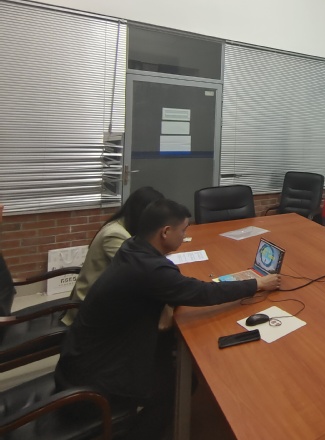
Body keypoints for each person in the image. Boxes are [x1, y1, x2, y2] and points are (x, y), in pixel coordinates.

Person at [55, 198, 280, 438]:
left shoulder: (132, 247)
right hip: (93, 385)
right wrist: (257, 284)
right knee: (181, 383)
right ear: (165, 232)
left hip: (80, 360)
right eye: (183, 231)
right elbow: (203, 293)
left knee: (171, 350)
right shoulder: (151, 269)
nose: (185, 236)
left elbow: (174, 288)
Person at [62, 186, 164, 325]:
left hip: (105, 297)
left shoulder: (123, 224)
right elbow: (139, 271)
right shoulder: (116, 234)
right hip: (89, 310)